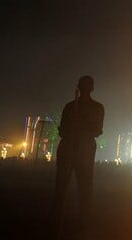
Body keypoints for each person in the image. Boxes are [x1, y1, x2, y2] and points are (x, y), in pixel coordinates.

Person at [50, 75, 105, 240]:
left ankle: (83, 225)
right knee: (62, 188)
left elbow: (97, 130)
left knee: (84, 189)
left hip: (84, 149)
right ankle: (57, 224)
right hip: (69, 148)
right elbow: (62, 130)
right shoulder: (71, 107)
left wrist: (80, 124)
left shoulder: (95, 108)